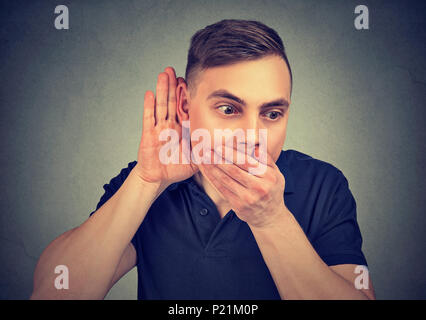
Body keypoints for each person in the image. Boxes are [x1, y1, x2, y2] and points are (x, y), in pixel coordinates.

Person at [30, 19, 375, 300]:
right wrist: (147, 182)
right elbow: (55, 292)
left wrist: (271, 220)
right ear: (184, 105)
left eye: (271, 113)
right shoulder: (146, 185)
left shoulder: (324, 186)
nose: (253, 135)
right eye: (228, 109)